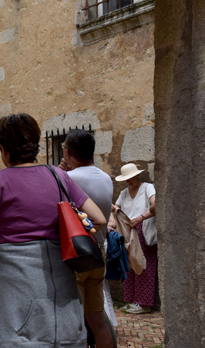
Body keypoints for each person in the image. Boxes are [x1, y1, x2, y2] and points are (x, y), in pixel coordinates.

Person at [0, 113, 106, 347]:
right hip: (61, 278)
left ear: (5, 149)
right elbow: (98, 218)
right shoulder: (58, 175)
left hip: (16, 281)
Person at [60, 129, 114, 348]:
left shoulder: (67, 179)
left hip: (75, 257)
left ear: (68, 152)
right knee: (97, 320)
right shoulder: (105, 177)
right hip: (97, 252)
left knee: (74, 323)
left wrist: (62, 173)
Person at [109, 163, 157, 314]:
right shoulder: (124, 193)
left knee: (144, 265)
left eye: (131, 178)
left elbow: (156, 205)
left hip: (144, 231)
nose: (129, 181)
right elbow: (114, 207)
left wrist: (141, 218)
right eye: (126, 179)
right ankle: (131, 300)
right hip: (128, 233)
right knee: (129, 265)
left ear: (137, 175)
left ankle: (144, 304)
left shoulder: (147, 188)